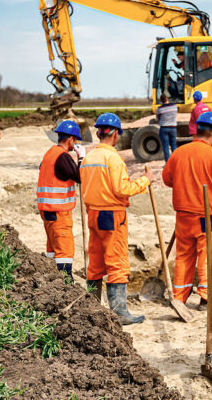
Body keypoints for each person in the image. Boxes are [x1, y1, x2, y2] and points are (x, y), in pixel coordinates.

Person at [80, 113, 153, 325]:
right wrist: (144, 181)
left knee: (95, 261)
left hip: (93, 214)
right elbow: (122, 189)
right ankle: (119, 312)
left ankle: (91, 308)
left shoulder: (88, 158)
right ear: (115, 134)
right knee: (117, 261)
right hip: (112, 215)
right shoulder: (113, 159)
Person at [162, 111, 212, 310]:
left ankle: (179, 298)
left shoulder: (179, 153)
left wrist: (185, 184)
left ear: (197, 131)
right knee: (207, 256)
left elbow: (167, 179)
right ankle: (206, 298)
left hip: (183, 215)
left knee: (184, 256)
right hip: (207, 217)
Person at [36, 120, 86, 282]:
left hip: (47, 210)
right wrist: (81, 158)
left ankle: (52, 280)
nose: (75, 144)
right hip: (59, 211)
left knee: (52, 247)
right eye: (75, 140)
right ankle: (65, 281)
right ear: (70, 139)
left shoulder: (50, 153)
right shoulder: (63, 157)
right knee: (64, 250)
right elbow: (79, 177)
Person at [156, 94, 178, 163]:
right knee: (174, 145)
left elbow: (157, 119)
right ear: (167, 98)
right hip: (173, 128)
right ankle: (175, 162)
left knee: (166, 147)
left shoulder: (160, 109)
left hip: (164, 128)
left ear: (161, 100)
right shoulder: (174, 107)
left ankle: (168, 163)